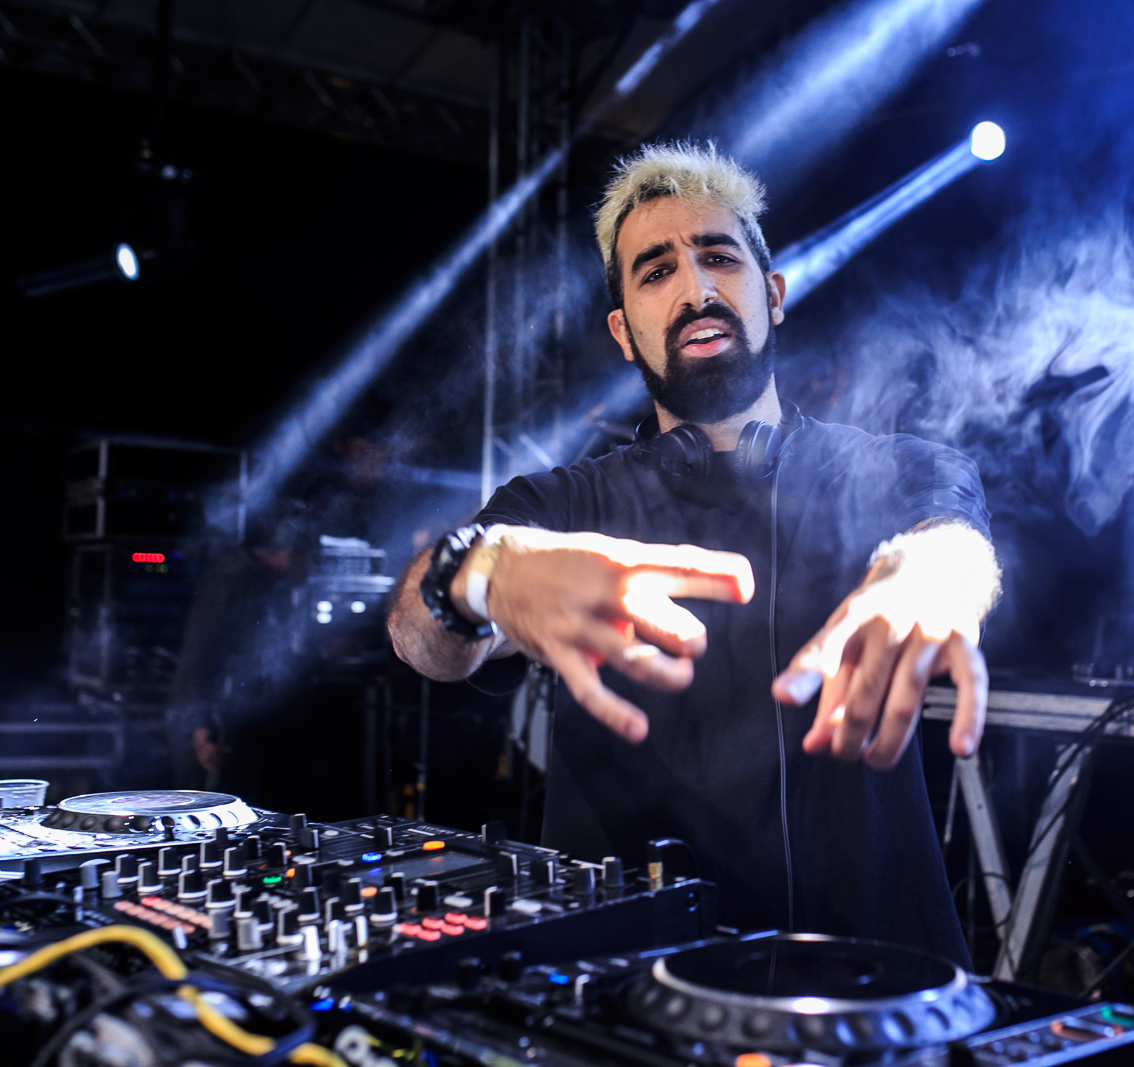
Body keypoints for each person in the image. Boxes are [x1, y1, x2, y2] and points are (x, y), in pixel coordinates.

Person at [388, 142, 1000, 964]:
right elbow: (421, 638)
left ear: (772, 293)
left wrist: (927, 580)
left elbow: (954, 541)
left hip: (870, 982)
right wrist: (485, 575)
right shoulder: (560, 506)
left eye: (719, 257)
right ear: (622, 330)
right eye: (656, 272)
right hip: (621, 983)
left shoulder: (890, 468)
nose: (697, 290)